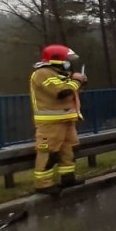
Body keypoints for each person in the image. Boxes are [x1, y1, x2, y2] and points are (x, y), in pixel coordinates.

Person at [30, 44, 88, 195]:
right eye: (66, 59)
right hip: (50, 122)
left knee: (68, 151)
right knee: (49, 152)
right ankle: (43, 184)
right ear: (56, 59)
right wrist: (76, 81)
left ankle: (67, 178)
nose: (68, 62)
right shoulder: (43, 73)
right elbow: (60, 92)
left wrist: (80, 82)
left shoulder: (58, 74)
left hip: (66, 119)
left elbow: (70, 93)